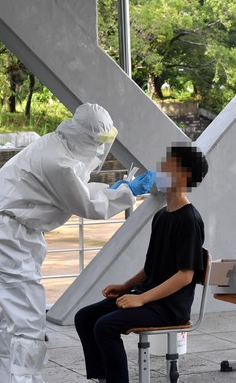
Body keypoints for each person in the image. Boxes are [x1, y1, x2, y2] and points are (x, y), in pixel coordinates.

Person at [0, 102, 154, 383]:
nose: (100, 150)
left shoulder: (58, 145)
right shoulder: (59, 163)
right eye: (99, 142)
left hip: (8, 230)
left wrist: (116, 189)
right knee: (27, 321)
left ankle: (6, 378)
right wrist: (127, 192)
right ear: (86, 138)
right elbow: (86, 203)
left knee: (5, 316)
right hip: (9, 236)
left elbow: (76, 189)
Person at [74, 144, 209, 383]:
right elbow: (150, 268)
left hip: (168, 308)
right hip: (148, 297)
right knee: (85, 317)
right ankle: (103, 378)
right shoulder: (161, 215)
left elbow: (185, 276)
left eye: (169, 165)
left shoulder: (189, 219)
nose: (161, 168)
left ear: (184, 174)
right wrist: (125, 286)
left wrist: (141, 298)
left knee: (105, 327)